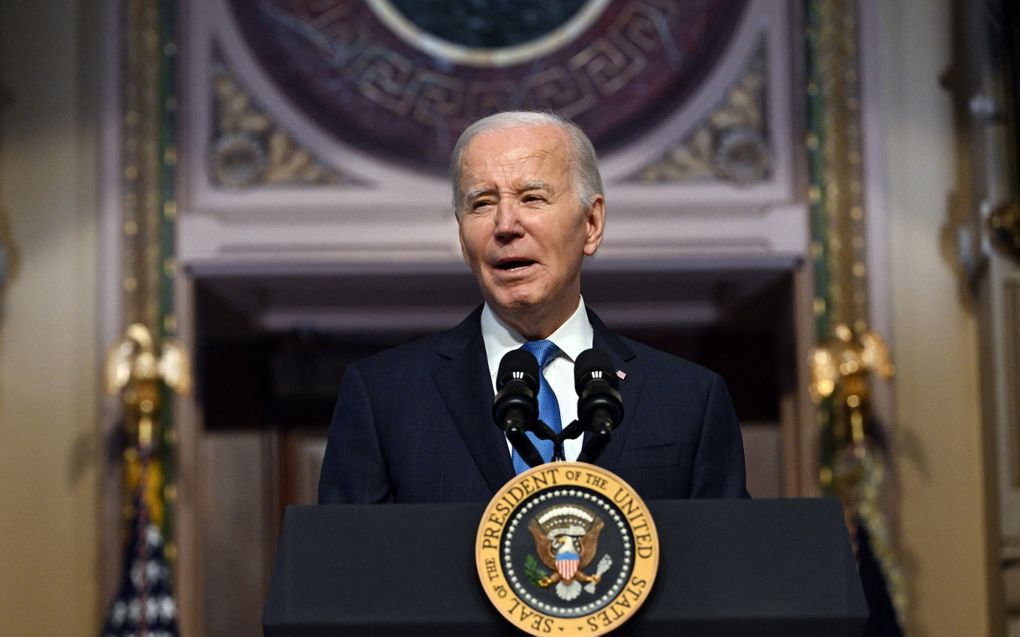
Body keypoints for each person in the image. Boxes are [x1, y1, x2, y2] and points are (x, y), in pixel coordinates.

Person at [318, 111, 748, 504]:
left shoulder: (688, 398)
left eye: (532, 198)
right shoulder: (384, 397)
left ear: (592, 224)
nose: (505, 226)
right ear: (462, 235)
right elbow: (345, 571)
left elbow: (726, 568)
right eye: (482, 203)